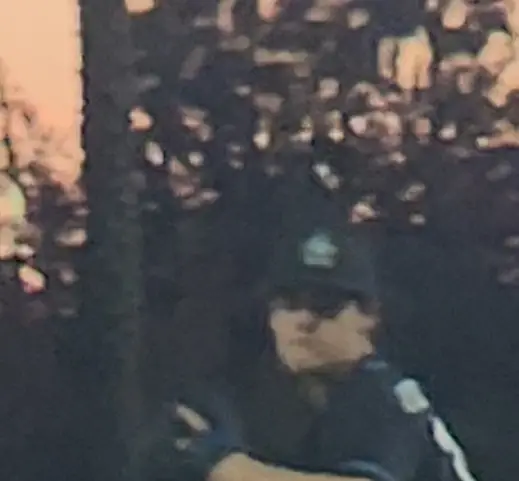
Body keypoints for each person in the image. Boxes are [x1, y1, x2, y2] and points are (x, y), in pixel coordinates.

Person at [144, 190, 478, 481]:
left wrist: (226, 466)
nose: (302, 320)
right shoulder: (258, 398)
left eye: (324, 305)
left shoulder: (383, 393)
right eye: (287, 304)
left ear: (369, 317)